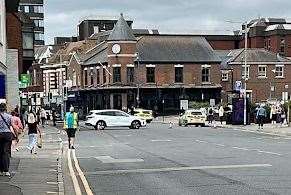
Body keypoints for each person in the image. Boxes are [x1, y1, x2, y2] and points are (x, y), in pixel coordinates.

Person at [0, 103, 15, 176]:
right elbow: (13, 126)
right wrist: (16, 135)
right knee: (6, 152)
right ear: (5, 109)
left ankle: (0, 170)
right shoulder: (9, 116)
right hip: (7, 134)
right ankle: (6, 171)